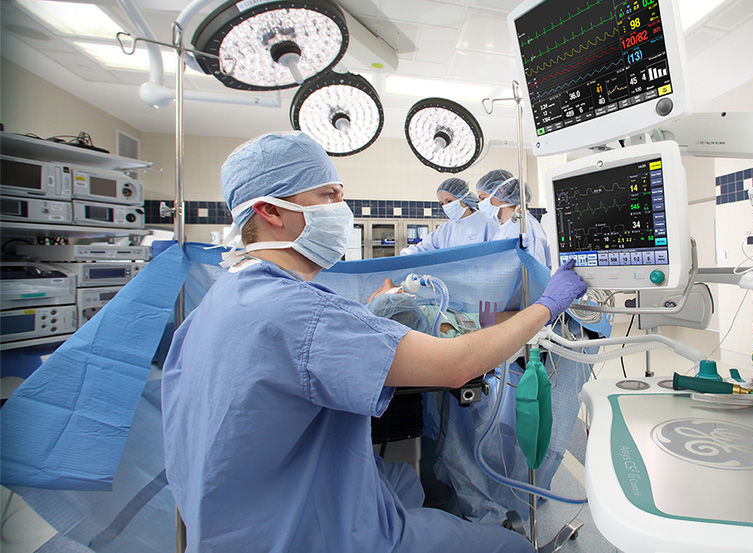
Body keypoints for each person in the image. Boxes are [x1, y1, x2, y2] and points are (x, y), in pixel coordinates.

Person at [161, 132, 588, 553]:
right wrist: (547, 304)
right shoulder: (298, 313)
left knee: (403, 481)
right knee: (507, 547)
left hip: (230, 524)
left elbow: (298, 349)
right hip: (307, 535)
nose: (340, 208)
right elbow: (457, 364)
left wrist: (366, 317)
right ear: (270, 210)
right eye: (328, 195)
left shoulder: (220, 299)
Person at [475, 169, 551, 267]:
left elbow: (535, 270)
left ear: (500, 192)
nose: (480, 204)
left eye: (482, 198)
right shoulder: (504, 227)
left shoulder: (524, 227)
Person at [400, 177, 494, 255]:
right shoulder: (445, 229)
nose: (446, 206)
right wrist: (406, 254)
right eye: (442, 203)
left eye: (449, 201)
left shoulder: (486, 222)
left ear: (463, 197)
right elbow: (423, 248)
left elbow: (496, 253)